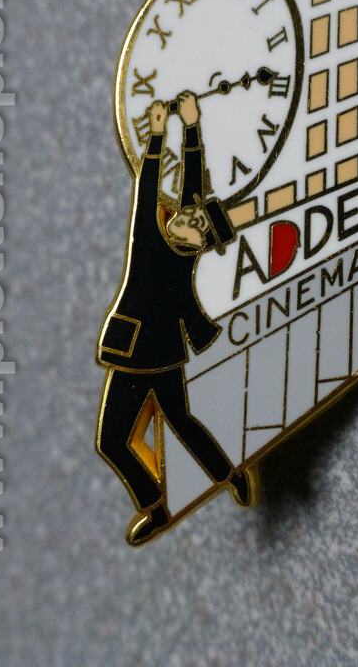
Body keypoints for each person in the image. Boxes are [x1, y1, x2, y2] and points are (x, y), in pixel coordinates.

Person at [96, 91, 256, 545]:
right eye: (190, 215)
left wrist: (156, 136)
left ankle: (160, 503)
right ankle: (226, 476)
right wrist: (189, 126)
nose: (186, 215)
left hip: (137, 355)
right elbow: (191, 192)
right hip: (159, 353)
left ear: (197, 242)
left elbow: (147, 191)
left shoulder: (153, 242)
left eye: (194, 221)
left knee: (114, 441)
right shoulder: (184, 248)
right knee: (178, 422)